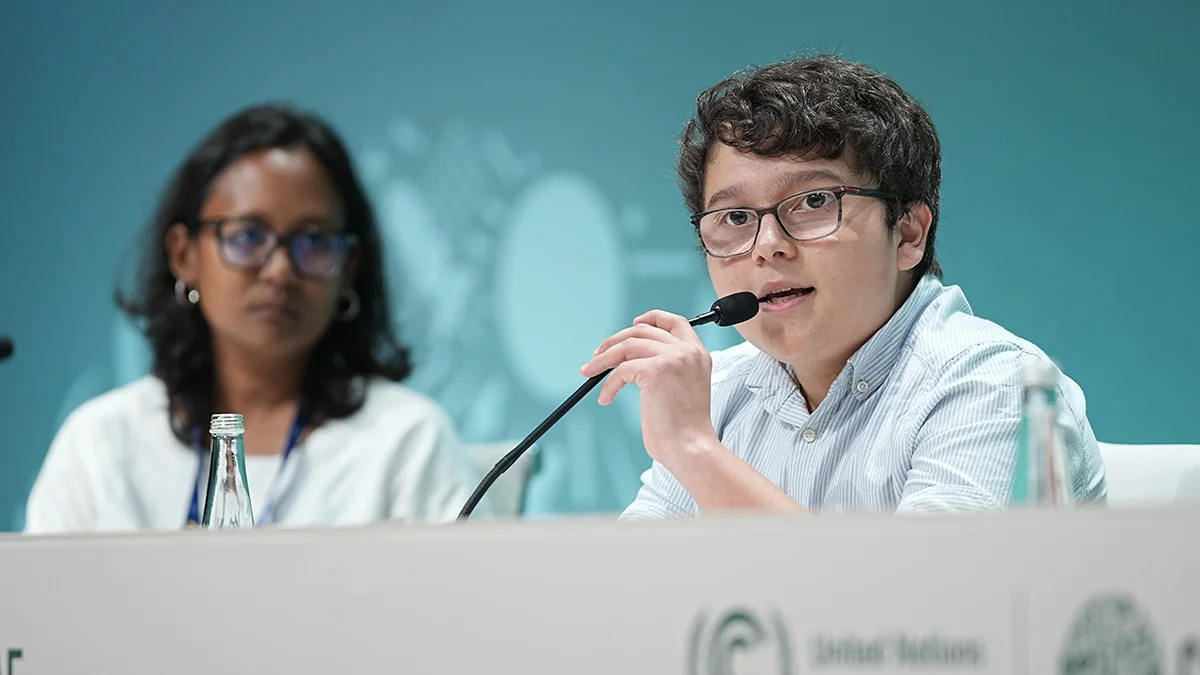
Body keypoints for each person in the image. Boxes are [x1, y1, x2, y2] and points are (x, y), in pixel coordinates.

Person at [581, 55, 1107, 517]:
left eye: (813, 202)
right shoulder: (717, 394)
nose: (767, 245)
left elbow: (917, 614)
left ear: (908, 232)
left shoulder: (993, 385)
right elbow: (623, 599)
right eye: (735, 216)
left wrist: (696, 450)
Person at [25, 103, 484, 532]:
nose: (280, 269)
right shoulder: (102, 443)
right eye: (248, 236)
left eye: (314, 241)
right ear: (184, 255)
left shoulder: (406, 440)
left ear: (350, 270)